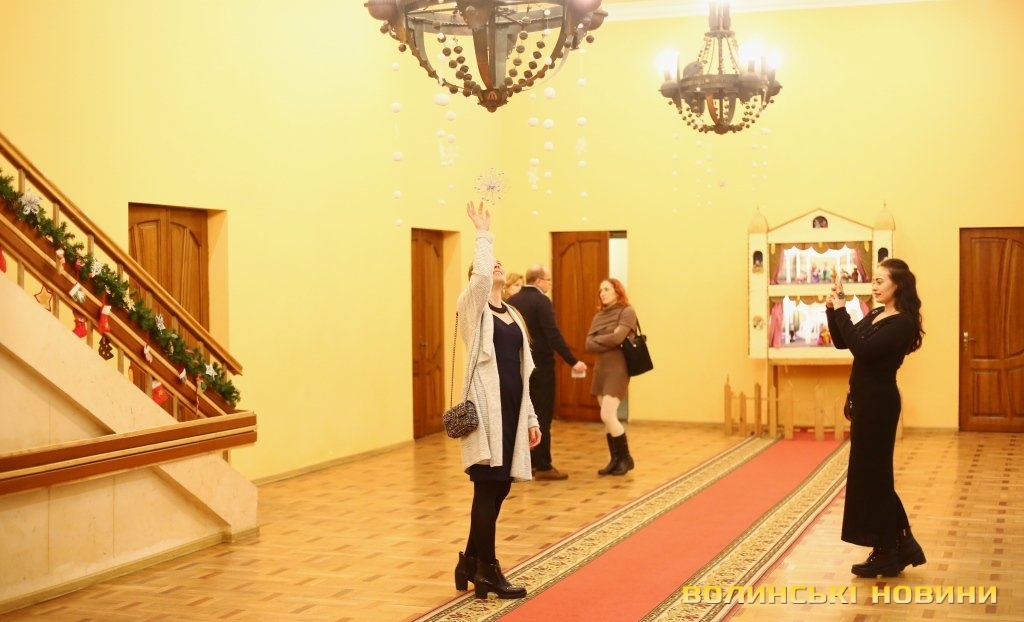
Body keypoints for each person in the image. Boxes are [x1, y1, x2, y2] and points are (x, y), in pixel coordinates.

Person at [453, 200, 541, 600]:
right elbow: (480, 278)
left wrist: (531, 418)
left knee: (500, 487)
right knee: (487, 488)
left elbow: (524, 373)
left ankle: (470, 560)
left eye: (499, 263)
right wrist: (483, 234)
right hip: (488, 415)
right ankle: (487, 569)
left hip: (512, 412)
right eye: (490, 265)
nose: (497, 266)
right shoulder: (472, 310)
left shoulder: (513, 315)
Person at [825, 258, 926, 578]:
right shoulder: (877, 313)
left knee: (875, 478)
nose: (875, 286)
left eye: (881, 281)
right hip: (865, 402)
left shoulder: (902, 323)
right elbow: (844, 341)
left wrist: (842, 309)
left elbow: (864, 351)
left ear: (899, 285)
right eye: (875, 280)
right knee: (870, 477)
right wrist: (832, 309)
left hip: (880, 405)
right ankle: (900, 546)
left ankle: (889, 550)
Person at [506, 265, 587, 480]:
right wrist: (573, 361)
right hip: (541, 368)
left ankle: (526, 463)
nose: (550, 284)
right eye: (548, 280)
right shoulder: (541, 301)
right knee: (542, 415)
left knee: (523, 414)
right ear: (539, 280)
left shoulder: (512, 301)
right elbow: (553, 335)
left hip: (519, 366)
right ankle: (543, 465)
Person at [584, 278, 637, 476]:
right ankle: (615, 459)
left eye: (607, 289)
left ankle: (626, 458)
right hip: (601, 369)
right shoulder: (599, 316)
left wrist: (601, 339)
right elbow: (588, 344)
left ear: (617, 291)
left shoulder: (627, 312)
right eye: (600, 290)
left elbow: (618, 337)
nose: (602, 293)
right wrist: (609, 338)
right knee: (607, 418)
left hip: (618, 369)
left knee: (607, 414)